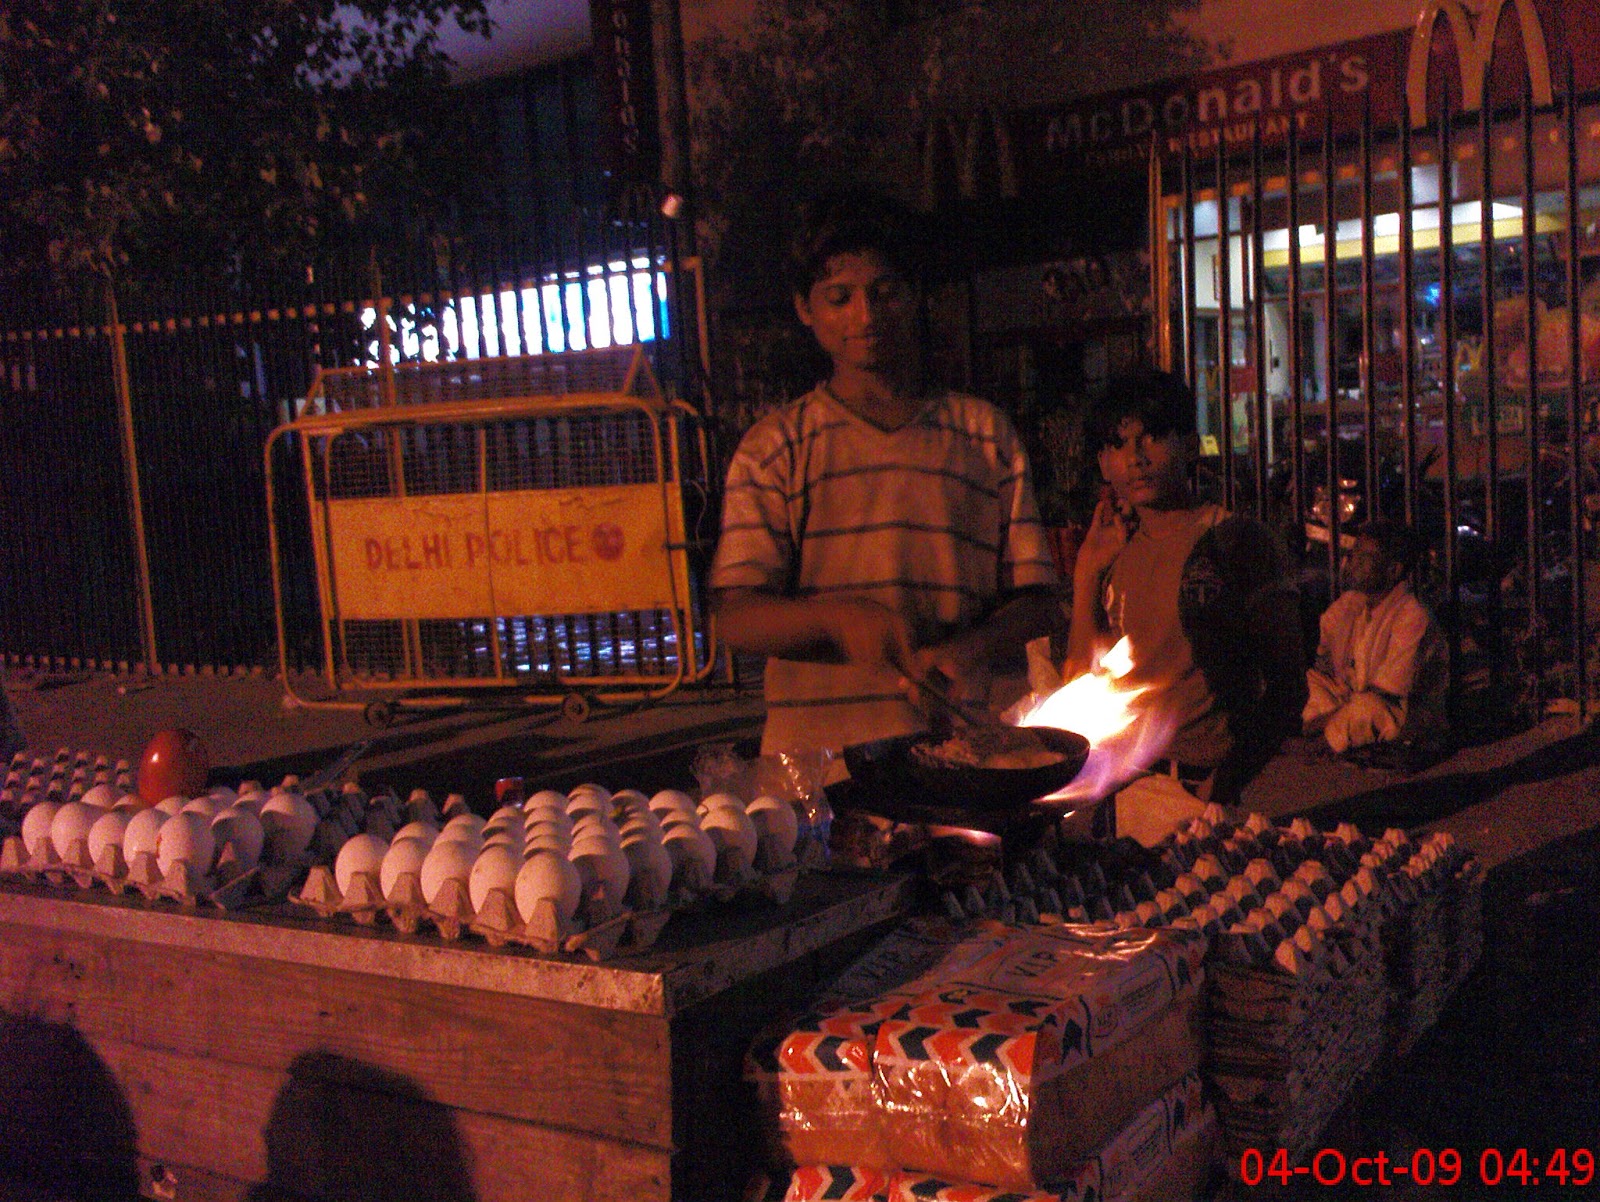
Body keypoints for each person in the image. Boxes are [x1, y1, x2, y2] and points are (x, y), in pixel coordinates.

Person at [709, 190, 1061, 760]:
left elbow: (1038, 601)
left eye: (885, 291)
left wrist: (974, 647)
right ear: (805, 308)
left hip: (959, 758)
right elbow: (737, 618)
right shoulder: (775, 448)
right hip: (817, 783)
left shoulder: (985, 435)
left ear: (913, 295)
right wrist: (837, 619)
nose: (866, 316)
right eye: (840, 297)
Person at [1063, 369, 1306, 840]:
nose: (1136, 459)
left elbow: (1288, 685)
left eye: (1153, 437)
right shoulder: (1114, 550)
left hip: (1196, 789)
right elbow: (1080, 684)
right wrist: (1086, 574)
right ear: (1103, 462)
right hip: (1119, 789)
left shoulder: (1235, 541)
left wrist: (1227, 780)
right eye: (1119, 444)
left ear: (1191, 446)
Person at [1303, 518, 1448, 757]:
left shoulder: (1413, 615)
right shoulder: (1350, 604)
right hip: (1352, 699)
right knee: (1310, 683)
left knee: (1371, 709)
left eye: (1364, 559)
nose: (1352, 564)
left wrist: (1328, 718)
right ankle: (1332, 734)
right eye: (1354, 555)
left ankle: (1321, 742)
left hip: (1401, 712)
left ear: (1393, 570)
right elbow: (1324, 666)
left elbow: (1388, 694)